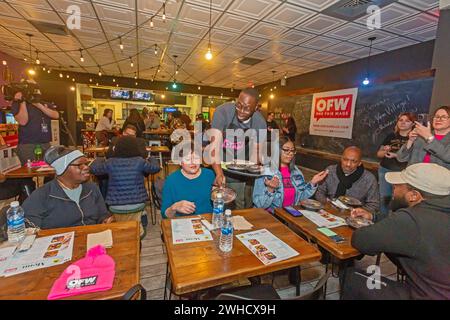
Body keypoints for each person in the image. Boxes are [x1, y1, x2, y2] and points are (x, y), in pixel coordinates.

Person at [343, 163, 450, 300]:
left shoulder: (411, 219)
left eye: (398, 185)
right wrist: (374, 217)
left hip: (426, 295)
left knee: (352, 277)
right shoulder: (437, 212)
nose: (393, 188)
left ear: (413, 196)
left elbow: (361, 240)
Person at [23, 146, 112, 229]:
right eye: (79, 165)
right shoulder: (43, 195)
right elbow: (29, 227)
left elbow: (102, 215)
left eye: (86, 163)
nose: (86, 167)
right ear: (62, 168)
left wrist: (105, 221)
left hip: (91, 240)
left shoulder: (91, 189)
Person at [90, 137, 160, 237]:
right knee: (137, 225)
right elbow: (155, 168)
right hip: (137, 202)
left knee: (120, 230)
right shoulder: (139, 161)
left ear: (117, 148)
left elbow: (93, 169)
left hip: (115, 205)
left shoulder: (111, 162)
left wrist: (100, 159)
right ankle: (139, 229)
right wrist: (152, 158)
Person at [210, 88, 267, 209]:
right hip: (220, 161)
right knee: (216, 200)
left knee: (239, 203)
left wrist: (250, 169)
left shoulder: (260, 123)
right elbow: (214, 147)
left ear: (256, 108)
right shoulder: (222, 112)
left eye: (247, 108)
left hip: (242, 167)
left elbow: (256, 151)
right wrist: (219, 173)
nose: (241, 111)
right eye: (239, 105)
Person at [253, 136, 328, 211]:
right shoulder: (266, 172)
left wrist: (313, 183)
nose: (290, 153)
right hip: (270, 217)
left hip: (289, 216)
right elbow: (259, 205)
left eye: (292, 150)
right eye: (286, 150)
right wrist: (270, 189)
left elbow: (301, 198)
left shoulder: (296, 171)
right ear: (276, 150)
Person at [314, 146, 379, 213]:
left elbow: (374, 205)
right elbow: (320, 192)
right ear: (341, 159)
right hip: (328, 210)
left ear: (359, 163)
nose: (348, 164)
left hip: (354, 216)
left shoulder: (369, 179)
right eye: (345, 159)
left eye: (353, 161)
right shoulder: (330, 171)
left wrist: (358, 212)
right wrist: (327, 204)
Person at [377, 112, 417, 214]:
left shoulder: (415, 139)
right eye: (401, 120)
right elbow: (379, 154)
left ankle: (396, 222)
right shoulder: (390, 136)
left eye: (407, 121)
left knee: (400, 201)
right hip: (385, 170)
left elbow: (415, 158)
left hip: (403, 174)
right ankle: (382, 221)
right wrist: (385, 151)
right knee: (384, 198)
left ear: (413, 124)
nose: (403, 123)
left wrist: (396, 155)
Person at [11, 81, 59, 165]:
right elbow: (23, 121)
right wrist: (22, 101)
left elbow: (56, 115)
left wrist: (38, 105)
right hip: (27, 145)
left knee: (50, 170)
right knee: (29, 172)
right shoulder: (17, 103)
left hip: (45, 143)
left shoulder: (44, 103)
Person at [161, 144, 215, 219]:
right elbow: (164, 214)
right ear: (180, 162)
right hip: (183, 222)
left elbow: (218, 203)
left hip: (208, 220)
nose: (193, 162)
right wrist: (174, 207)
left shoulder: (210, 175)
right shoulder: (171, 180)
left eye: (196, 158)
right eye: (188, 159)